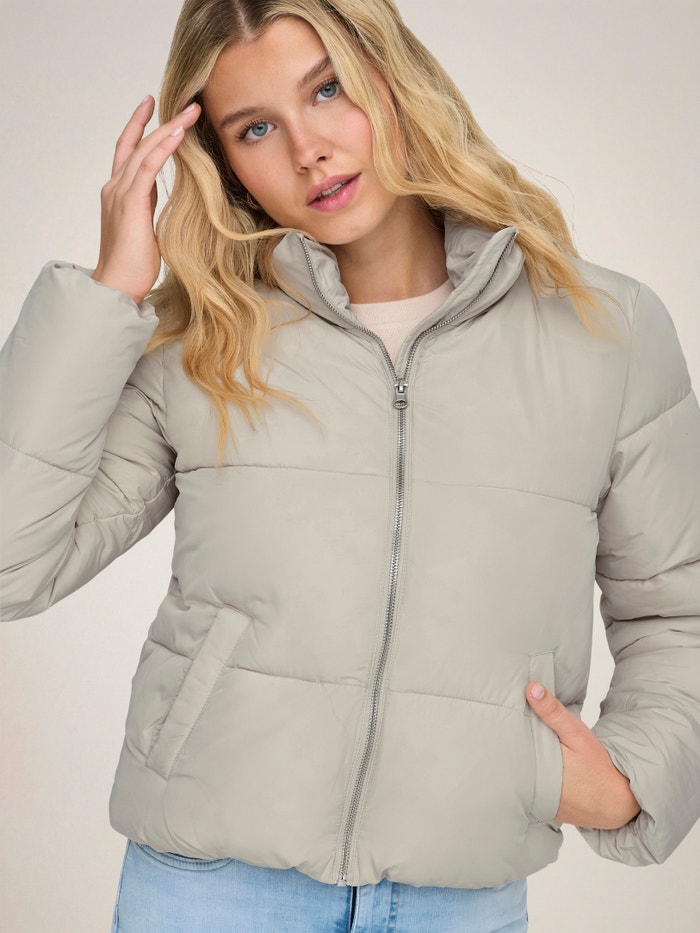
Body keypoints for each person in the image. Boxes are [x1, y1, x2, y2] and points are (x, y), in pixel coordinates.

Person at [1, 0, 698, 930]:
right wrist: (110, 291)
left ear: (392, 77)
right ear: (221, 161)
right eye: (256, 128)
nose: (310, 151)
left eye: (328, 90)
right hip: (211, 892)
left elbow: (678, 607)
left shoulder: (604, 328)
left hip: (458, 899)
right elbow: (12, 562)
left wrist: (634, 780)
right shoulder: (202, 343)